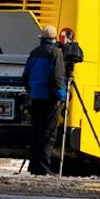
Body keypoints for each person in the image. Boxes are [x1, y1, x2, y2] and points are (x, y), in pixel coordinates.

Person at [22, 25, 69, 174]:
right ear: (55, 39)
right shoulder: (55, 53)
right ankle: (43, 167)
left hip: (36, 96)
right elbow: (57, 77)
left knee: (37, 131)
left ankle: (34, 166)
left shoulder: (34, 52)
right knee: (48, 133)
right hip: (49, 97)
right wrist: (62, 96)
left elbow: (26, 75)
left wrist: (31, 90)